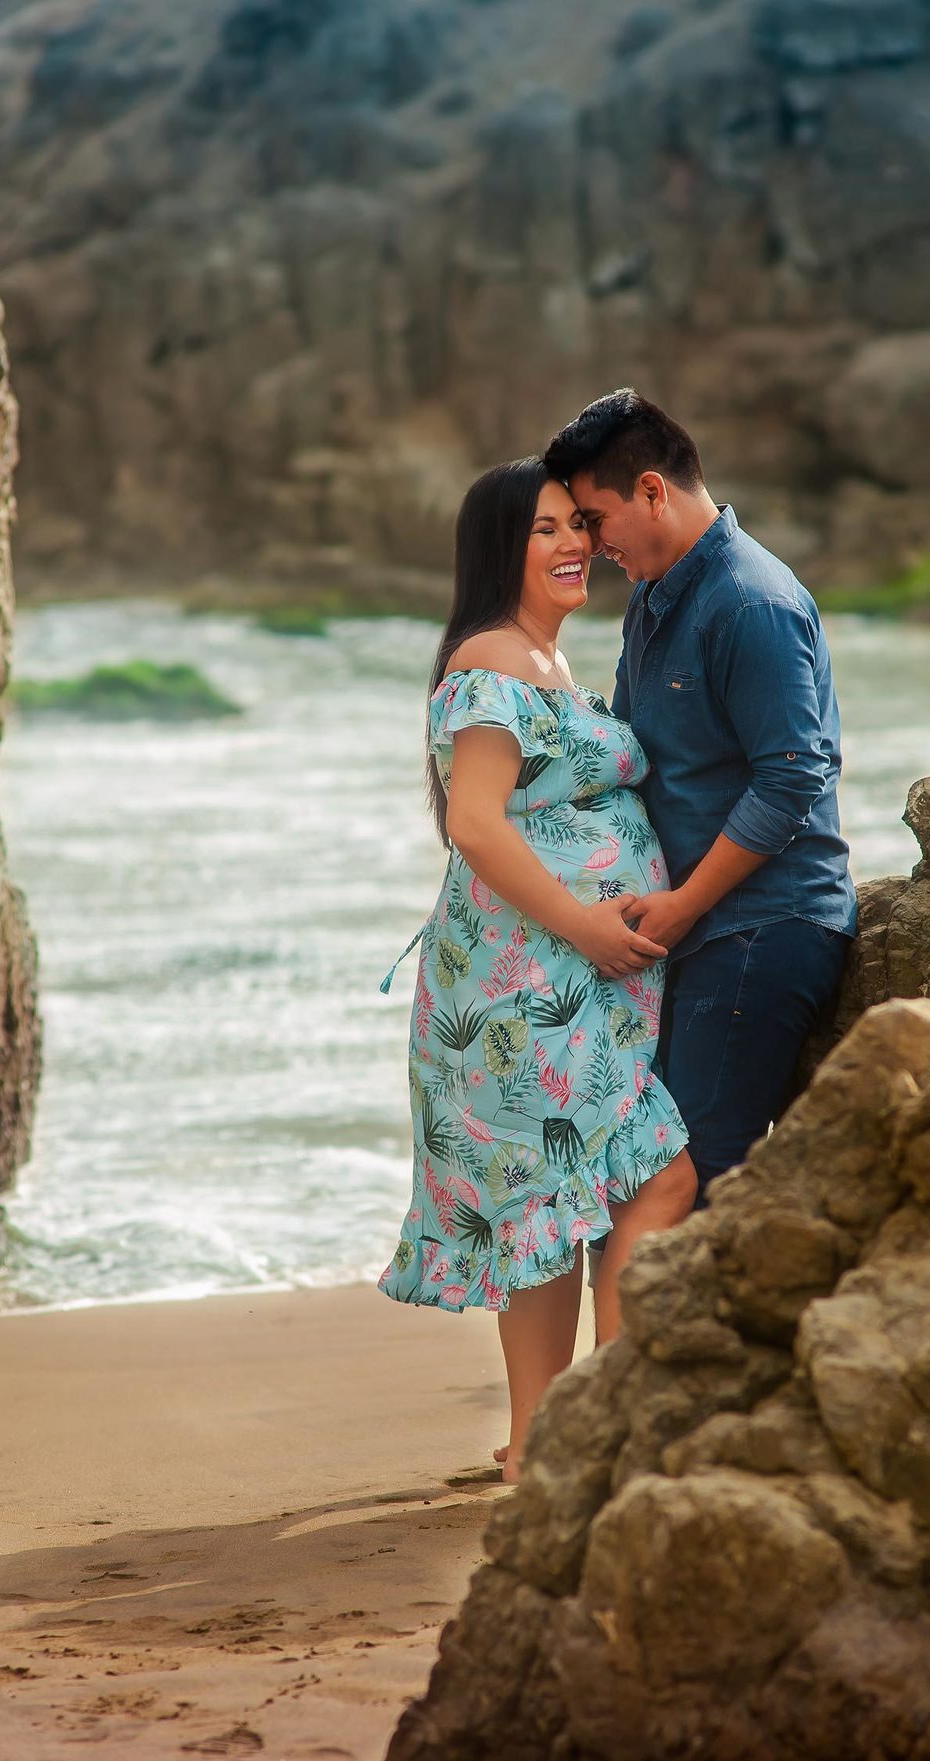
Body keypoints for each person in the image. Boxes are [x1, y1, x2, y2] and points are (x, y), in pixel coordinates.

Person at [378, 456, 697, 1482]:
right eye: (543, 530)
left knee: (554, 1210)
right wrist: (587, 926)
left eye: (576, 525)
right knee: (605, 1189)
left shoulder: (546, 660)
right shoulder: (494, 659)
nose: (572, 545)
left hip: (565, 986)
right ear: (496, 550)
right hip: (523, 989)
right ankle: (579, 1436)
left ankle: (542, 1441)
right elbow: (472, 820)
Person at [544, 390, 857, 1196]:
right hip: (694, 928)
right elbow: (635, 754)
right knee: (651, 1168)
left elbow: (793, 778)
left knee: (693, 1175)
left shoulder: (752, 602)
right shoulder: (655, 594)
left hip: (763, 926)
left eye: (594, 518)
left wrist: (683, 904)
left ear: (653, 491)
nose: (590, 541)